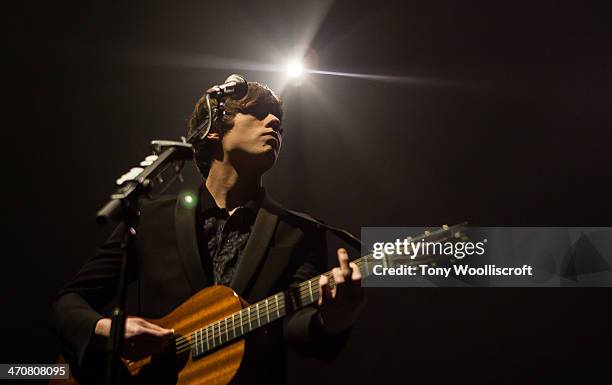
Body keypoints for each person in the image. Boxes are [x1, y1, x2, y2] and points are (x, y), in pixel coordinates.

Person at [50, 80, 365, 385]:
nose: (275, 123)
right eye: (258, 113)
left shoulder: (299, 230)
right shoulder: (150, 217)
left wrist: (333, 319)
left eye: (279, 122)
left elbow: (295, 327)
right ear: (214, 129)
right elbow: (68, 302)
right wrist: (108, 330)